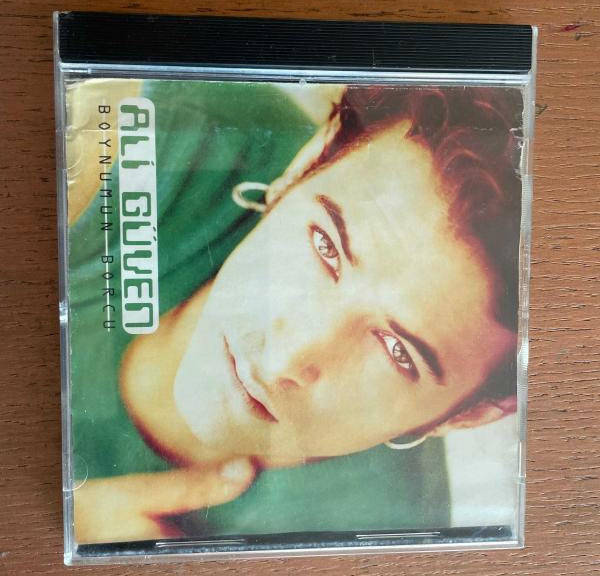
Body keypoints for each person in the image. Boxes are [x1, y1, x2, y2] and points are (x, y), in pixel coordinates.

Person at [69, 79, 522, 544]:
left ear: (465, 417)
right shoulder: (169, 139)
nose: (283, 358)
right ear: (304, 165)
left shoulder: (375, 540)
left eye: (397, 351)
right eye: (325, 246)